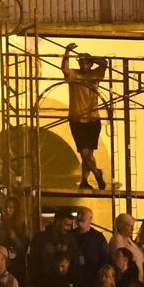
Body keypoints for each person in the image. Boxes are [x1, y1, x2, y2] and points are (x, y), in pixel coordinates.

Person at [61, 45, 111, 191]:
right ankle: (97, 173)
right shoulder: (74, 75)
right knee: (84, 152)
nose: (82, 65)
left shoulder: (95, 74)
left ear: (90, 64)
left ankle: (84, 180)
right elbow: (64, 69)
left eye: (85, 62)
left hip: (93, 119)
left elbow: (105, 63)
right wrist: (67, 51)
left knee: (88, 154)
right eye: (81, 62)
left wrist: (90, 57)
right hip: (77, 119)